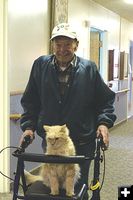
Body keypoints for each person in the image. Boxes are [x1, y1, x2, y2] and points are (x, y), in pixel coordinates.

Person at [19, 23, 116, 199]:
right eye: (58, 44)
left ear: (76, 45)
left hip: (82, 139)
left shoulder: (89, 69)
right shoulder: (40, 65)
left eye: (67, 44)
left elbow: (105, 100)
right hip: (53, 142)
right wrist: (28, 126)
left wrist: (103, 123)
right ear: (53, 45)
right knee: (54, 185)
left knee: (77, 187)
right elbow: (30, 100)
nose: (62, 49)